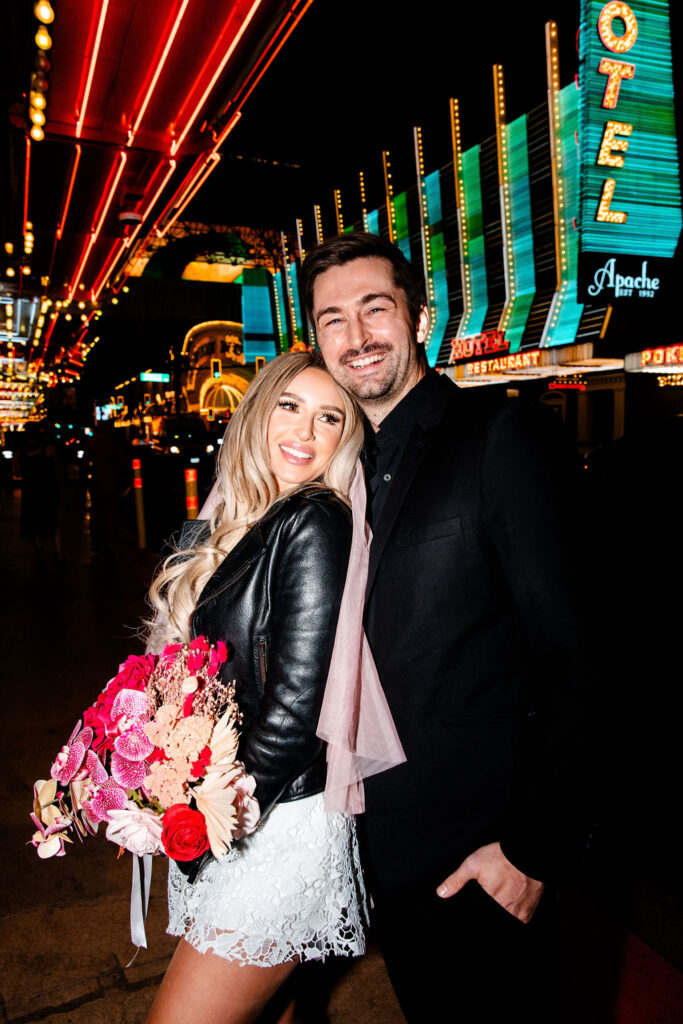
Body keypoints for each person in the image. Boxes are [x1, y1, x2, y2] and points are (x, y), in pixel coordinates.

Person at [300, 233, 597, 1023]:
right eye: (333, 319)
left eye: (375, 309)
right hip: (375, 850)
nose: (356, 336)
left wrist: (534, 848)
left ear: (419, 316)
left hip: (483, 853)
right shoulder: (332, 467)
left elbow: (576, 650)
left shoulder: (498, 434)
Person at [144, 351, 369, 1024]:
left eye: (329, 417)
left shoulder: (313, 520)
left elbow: (297, 709)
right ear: (256, 412)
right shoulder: (241, 517)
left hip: (270, 824)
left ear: (344, 438)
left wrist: (210, 816)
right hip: (232, 807)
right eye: (289, 406)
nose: (305, 430)